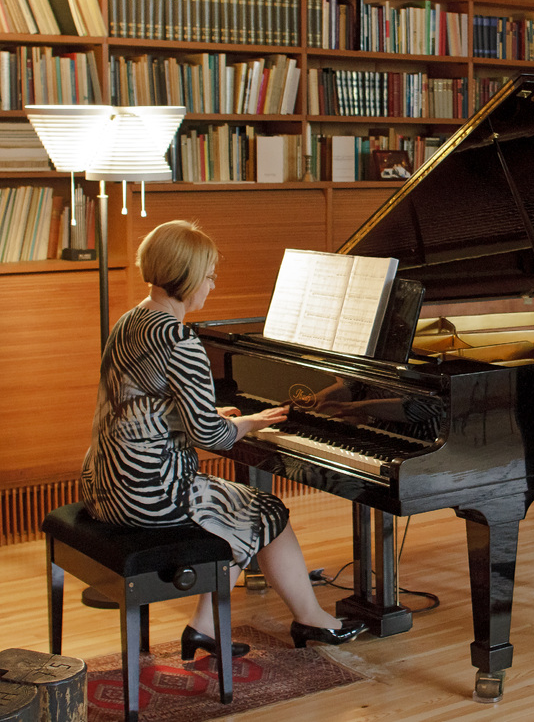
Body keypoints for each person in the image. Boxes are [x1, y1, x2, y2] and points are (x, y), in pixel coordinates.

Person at [80, 220, 367, 657]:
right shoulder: (180, 340)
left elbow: (142, 399)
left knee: (235, 509)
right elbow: (210, 437)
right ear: (188, 276)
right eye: (210, 275)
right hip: (149, 492)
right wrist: (253, 422)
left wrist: (210, 410)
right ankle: (309, 620)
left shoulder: (131, 320)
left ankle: (207, 626)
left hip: (103, 482)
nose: (212, 285)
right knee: (266, 509)